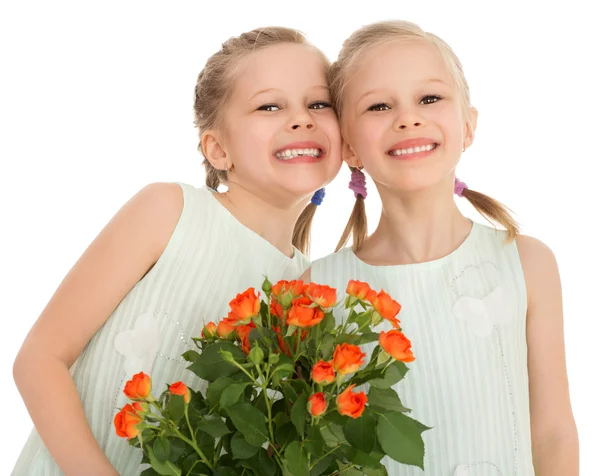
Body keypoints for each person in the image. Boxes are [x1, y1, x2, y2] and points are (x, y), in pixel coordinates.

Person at [12, 26, 341, 475]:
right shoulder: (169, 210)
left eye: (319, 103)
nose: (302, 118)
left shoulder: (312, 293)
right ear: (218, 148)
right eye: (269, 105)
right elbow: (38, 360)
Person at [308, 20, 578, 475]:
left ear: (468, 125)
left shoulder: (526, 262)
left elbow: (552, 432)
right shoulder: (316, 289)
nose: (407, 118)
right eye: (378, 105)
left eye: (429, 98)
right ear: (349, 147)